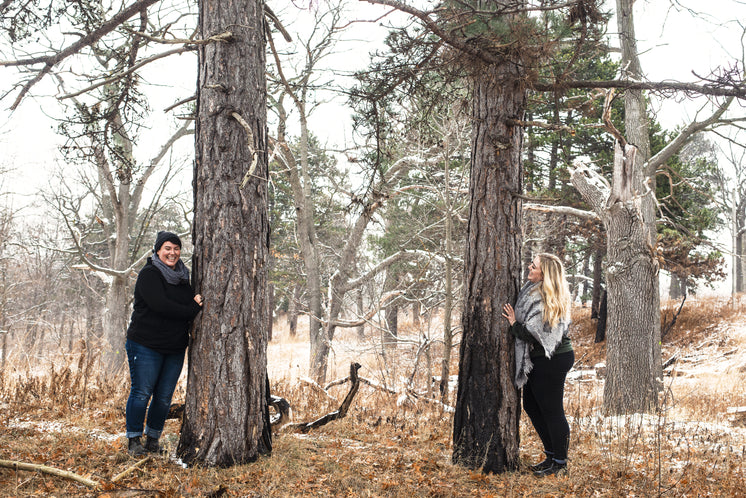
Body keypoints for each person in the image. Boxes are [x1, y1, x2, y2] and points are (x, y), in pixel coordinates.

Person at [125, 231, 204, 457]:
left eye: (176, 248)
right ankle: (133, 441)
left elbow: (179, 307)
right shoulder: (149, 274)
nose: (172, 253)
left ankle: (152, 440)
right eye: (167, 248)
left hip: (174, 348)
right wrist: (192, 309)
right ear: (158, 251)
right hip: (145, 344)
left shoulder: (182, 278)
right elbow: (162, 306)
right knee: (141, 393)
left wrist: (188, 309)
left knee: (163, 397)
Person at [502, 253, 574, 477]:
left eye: (533, 266)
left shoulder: (546, 296)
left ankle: (560, 464)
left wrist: (514, 323)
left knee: (552, 411)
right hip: (540, 358)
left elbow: (535, 334)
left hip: (552, 359)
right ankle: (551, 455)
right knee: (532, 407)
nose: (529, 267)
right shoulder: (532, 290)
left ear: (545, 274)